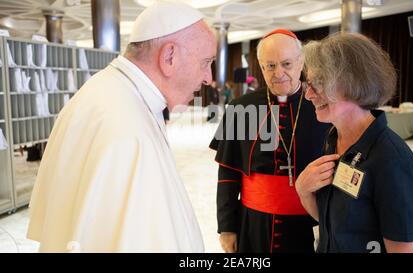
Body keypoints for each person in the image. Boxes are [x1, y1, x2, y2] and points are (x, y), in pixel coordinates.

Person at [27, 1, 216, 252]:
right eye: (205, 62)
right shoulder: (128, 129)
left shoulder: (107, 91)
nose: (208, 78)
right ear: (169, 56)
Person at [295, 33, 413, 253]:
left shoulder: (393, 161)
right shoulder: (333, 139)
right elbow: (336, 224)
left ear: (352, 83)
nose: (308, 94)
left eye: (318, 84)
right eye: (309, 84)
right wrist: (303, 191)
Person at [210, 29, 330, 253]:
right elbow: (228, 175)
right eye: (271, 66)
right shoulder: (240, 108)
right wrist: (227, 228)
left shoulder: (323, 106)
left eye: (286, 64)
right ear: (261, 66)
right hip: (253, 224)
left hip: (310, 222)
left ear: (301, 62)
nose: (279, 73)